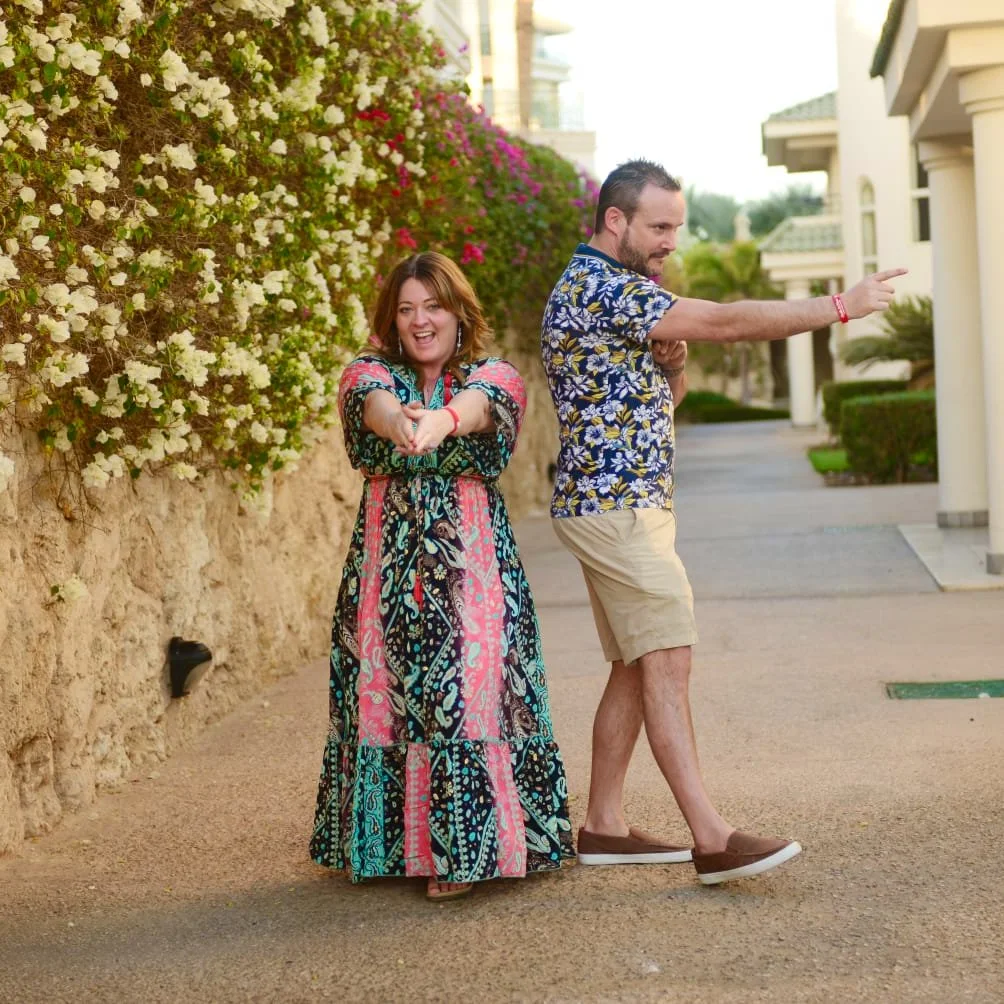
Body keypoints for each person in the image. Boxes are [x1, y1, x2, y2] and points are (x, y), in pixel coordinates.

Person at [541, 159, 906, 885]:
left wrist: (670, 368)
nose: (671, 239)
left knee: (634, 664)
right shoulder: (599, 286)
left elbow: (655, 409)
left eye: (676, 225)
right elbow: (727, 321)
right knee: (669, 658)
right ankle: (711, 839)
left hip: (622, 505)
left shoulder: (624, 293)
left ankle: (605, 826)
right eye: (659, 226)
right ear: (615, 220)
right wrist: (841, 305)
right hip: (616, 511)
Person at [310, 251, 574, 901]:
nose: (419, 320)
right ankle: (391, 847)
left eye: (432, 306)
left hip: (473, 568)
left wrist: (443, 420)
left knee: (468, 685)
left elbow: (484, 405)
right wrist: (402, 421)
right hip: (385, 570)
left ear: (458, 311)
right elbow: (368, 401)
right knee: (385, 699)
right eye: (406, 309)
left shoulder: (495, 375)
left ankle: (468, 851)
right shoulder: (370, 371)